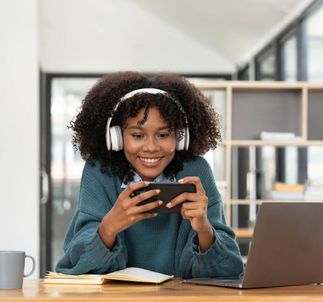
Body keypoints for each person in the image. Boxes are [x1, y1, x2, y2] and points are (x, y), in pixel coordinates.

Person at [56, 71, 244, 278]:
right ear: (116, 137)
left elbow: (230, 271)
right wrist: (109, 227)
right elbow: (74, 265)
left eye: (163, 135)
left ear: (180, 137)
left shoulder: (196, 171)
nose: (151, 147)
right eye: (137, 135)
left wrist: (204, 229)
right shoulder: (99, 172)